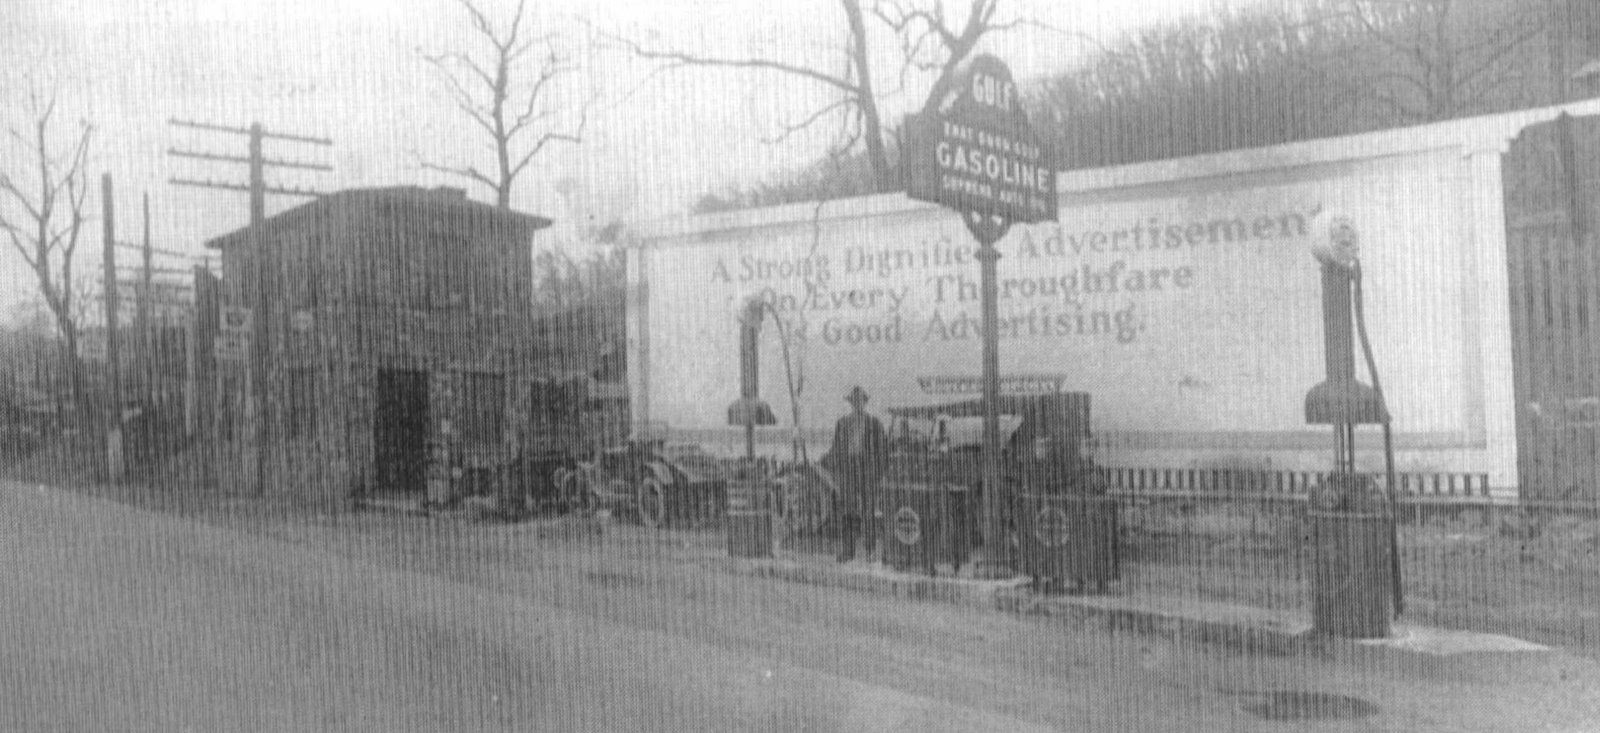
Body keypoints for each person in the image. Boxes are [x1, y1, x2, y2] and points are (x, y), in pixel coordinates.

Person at [822, 385, 888, 563]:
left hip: (867, 471)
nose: (857, 404)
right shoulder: (842, 423)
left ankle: (870, 551)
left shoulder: (875, 424)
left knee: (868, 512)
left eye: (860, 401)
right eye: (854, 401)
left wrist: (880, 475)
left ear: (864, 403)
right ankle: (848, 551)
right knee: (848, 511)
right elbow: (836, 449)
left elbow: (883, 452)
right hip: (849, 470)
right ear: (851, 403)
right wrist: (824, 462)